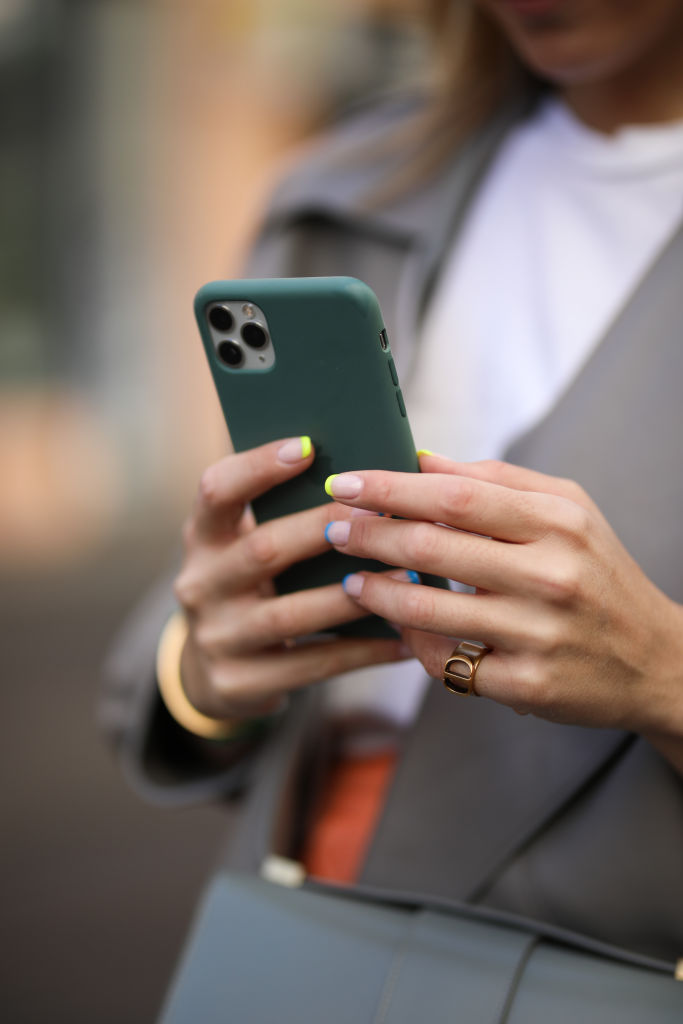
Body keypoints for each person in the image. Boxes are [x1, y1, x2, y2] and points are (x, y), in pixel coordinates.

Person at [102, 0, 683, 961]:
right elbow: (202, 610)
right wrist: (205, 670)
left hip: (602, 955)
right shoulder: (349, 190)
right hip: (297, 918)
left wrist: (663, 676)